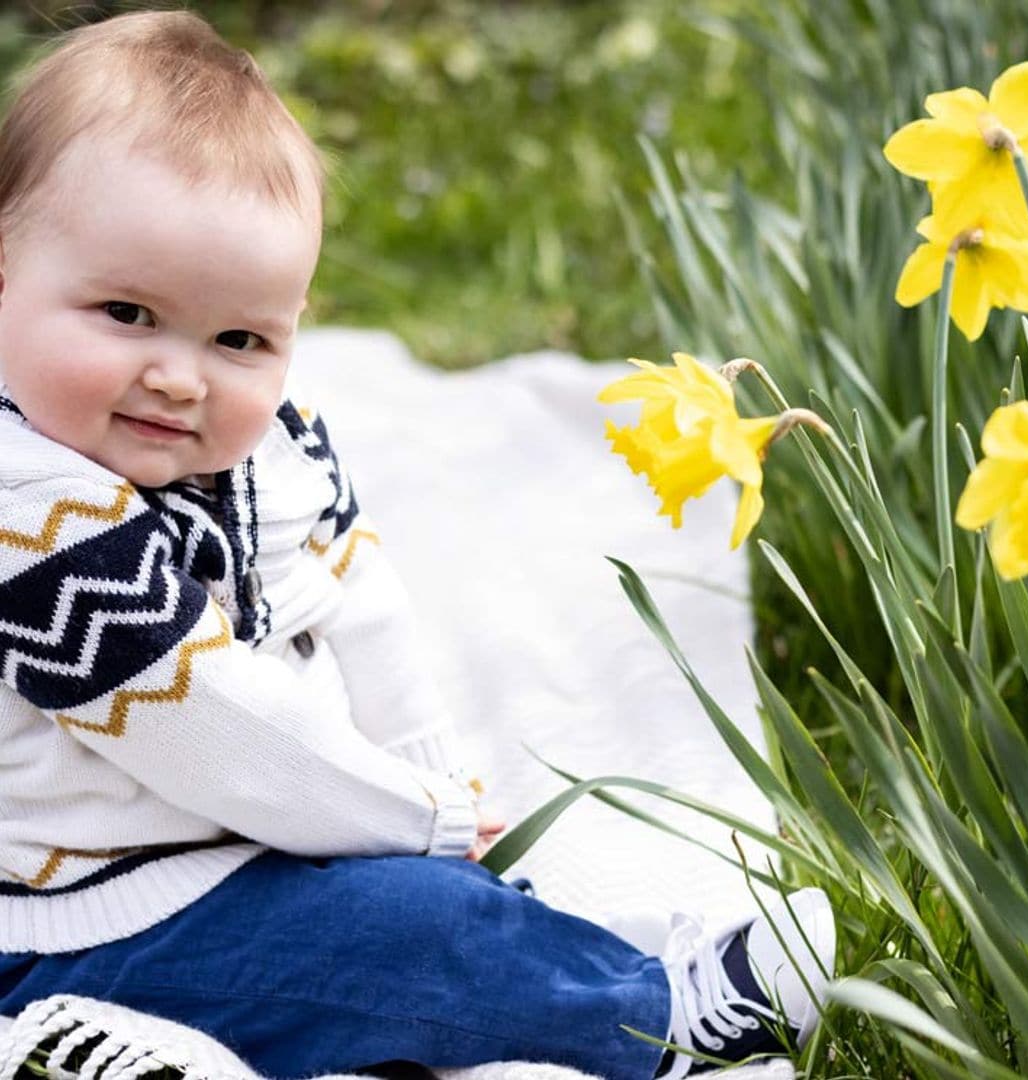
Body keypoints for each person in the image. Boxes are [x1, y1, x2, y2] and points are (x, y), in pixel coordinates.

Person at [0, 11, 835, 1080]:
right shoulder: (35, 521)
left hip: (225, 848)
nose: (182, 375)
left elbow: (363, 603)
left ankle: (581, 967)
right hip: (81, 917)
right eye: (126, 313)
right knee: (393, 938)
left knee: (428, 910)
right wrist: (417, 816)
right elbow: (223, 730)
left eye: (239, 339)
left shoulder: (266, 453)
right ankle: (661, 1018)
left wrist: (435, 774)